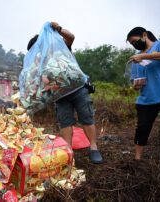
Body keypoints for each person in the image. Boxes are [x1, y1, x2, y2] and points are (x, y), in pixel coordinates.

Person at [27, 22, 103, 164]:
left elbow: (71, 38)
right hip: (60, 97)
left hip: (78, 89)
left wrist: (59, 29)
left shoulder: (59, 49)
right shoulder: (39, 64)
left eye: (35, 50)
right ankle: (68, 152)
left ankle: (93, 148)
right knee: (65, 123)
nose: (36, 54)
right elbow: (44, 84)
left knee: (86, 118)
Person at [127, 27, 160, 174]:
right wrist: (136, 85)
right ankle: (137, 161)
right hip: (146, 99)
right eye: (131, 43)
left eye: (135, 41)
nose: (134, 45)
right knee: (142, 128)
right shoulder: (136, 59)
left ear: (144, 35)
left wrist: (145, 56)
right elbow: (135, 83)